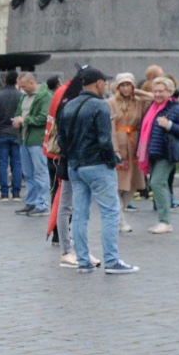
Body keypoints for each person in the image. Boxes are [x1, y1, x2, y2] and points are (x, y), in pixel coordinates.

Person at [57, 67, 137, 273]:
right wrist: (112, 160)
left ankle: (83, 261)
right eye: (105, 82)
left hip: (75, 166)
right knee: (110, 212)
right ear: (99, 83)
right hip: (97, 165)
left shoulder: (68, 105)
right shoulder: (100, 106)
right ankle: (111, 261)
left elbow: (61, 140)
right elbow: (104, 139)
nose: (107, 86)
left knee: (80, 214)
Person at [139, 75, 179, 233]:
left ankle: (165, 221)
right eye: (155, 91)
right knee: (156, 183)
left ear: (169, 92)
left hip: (167, 153)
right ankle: (162, 220)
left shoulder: (177, 109)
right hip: (153, 151)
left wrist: (169, 125)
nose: (157, 95)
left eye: (161, 91)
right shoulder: (152, 107)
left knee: (157, 183)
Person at [109, 73, 145, 228]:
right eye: (122, 85)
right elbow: (111, 128)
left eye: (128, 85)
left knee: (134, 181)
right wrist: (115, 149)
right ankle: (121, 217)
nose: (125, 88)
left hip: (136, 145)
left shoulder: (138, 102)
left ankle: (119, 212)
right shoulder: (111, 102)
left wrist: (138, 92)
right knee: (119, 182)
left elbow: (152, 98)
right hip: (121, 143)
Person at [19, 73, 53, 216]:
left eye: (24, 86)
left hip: (37, 140)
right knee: (28, 174)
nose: (22, 89)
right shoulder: (24, 96)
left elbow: (43, 118)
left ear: (32, 83)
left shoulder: (45, 96)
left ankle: (43, 203)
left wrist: (24, 120)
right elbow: (20, 112)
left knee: (40, 173)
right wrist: (17, 120)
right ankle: (31, 202)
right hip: (24, 139)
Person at [0, 73, 25, 202]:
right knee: (17, 163)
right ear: (16, 80)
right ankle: (16, 193)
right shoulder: (21, 96)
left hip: (2, 133)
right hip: (16, 133)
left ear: (4, 80)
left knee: (2, 164)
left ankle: (4, 193)